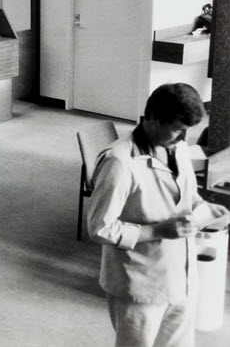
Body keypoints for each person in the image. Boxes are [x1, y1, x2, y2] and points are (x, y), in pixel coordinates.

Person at [88, 83, 230, 347]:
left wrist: (207, 210)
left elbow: (186, 197)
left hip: (182, 279)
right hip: (140, 285)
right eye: (178, 129)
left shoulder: (179, 148)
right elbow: (99, 227)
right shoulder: (119, 162)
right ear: (152, 116)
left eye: (188, 131)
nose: (184, 138)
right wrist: (157, 231)